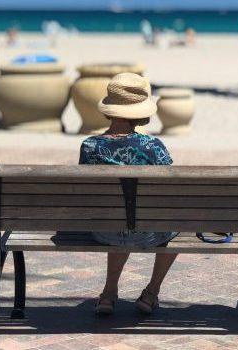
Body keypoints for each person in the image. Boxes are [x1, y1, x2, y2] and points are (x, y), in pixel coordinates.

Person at [79, 73, 178, 316]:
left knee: (119, 215)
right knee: (181, 221)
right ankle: (152, 292)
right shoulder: (154, 147)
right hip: (148, 234)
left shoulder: (89, 146)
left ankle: (109, 293)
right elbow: (170, 188)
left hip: (104, 231)